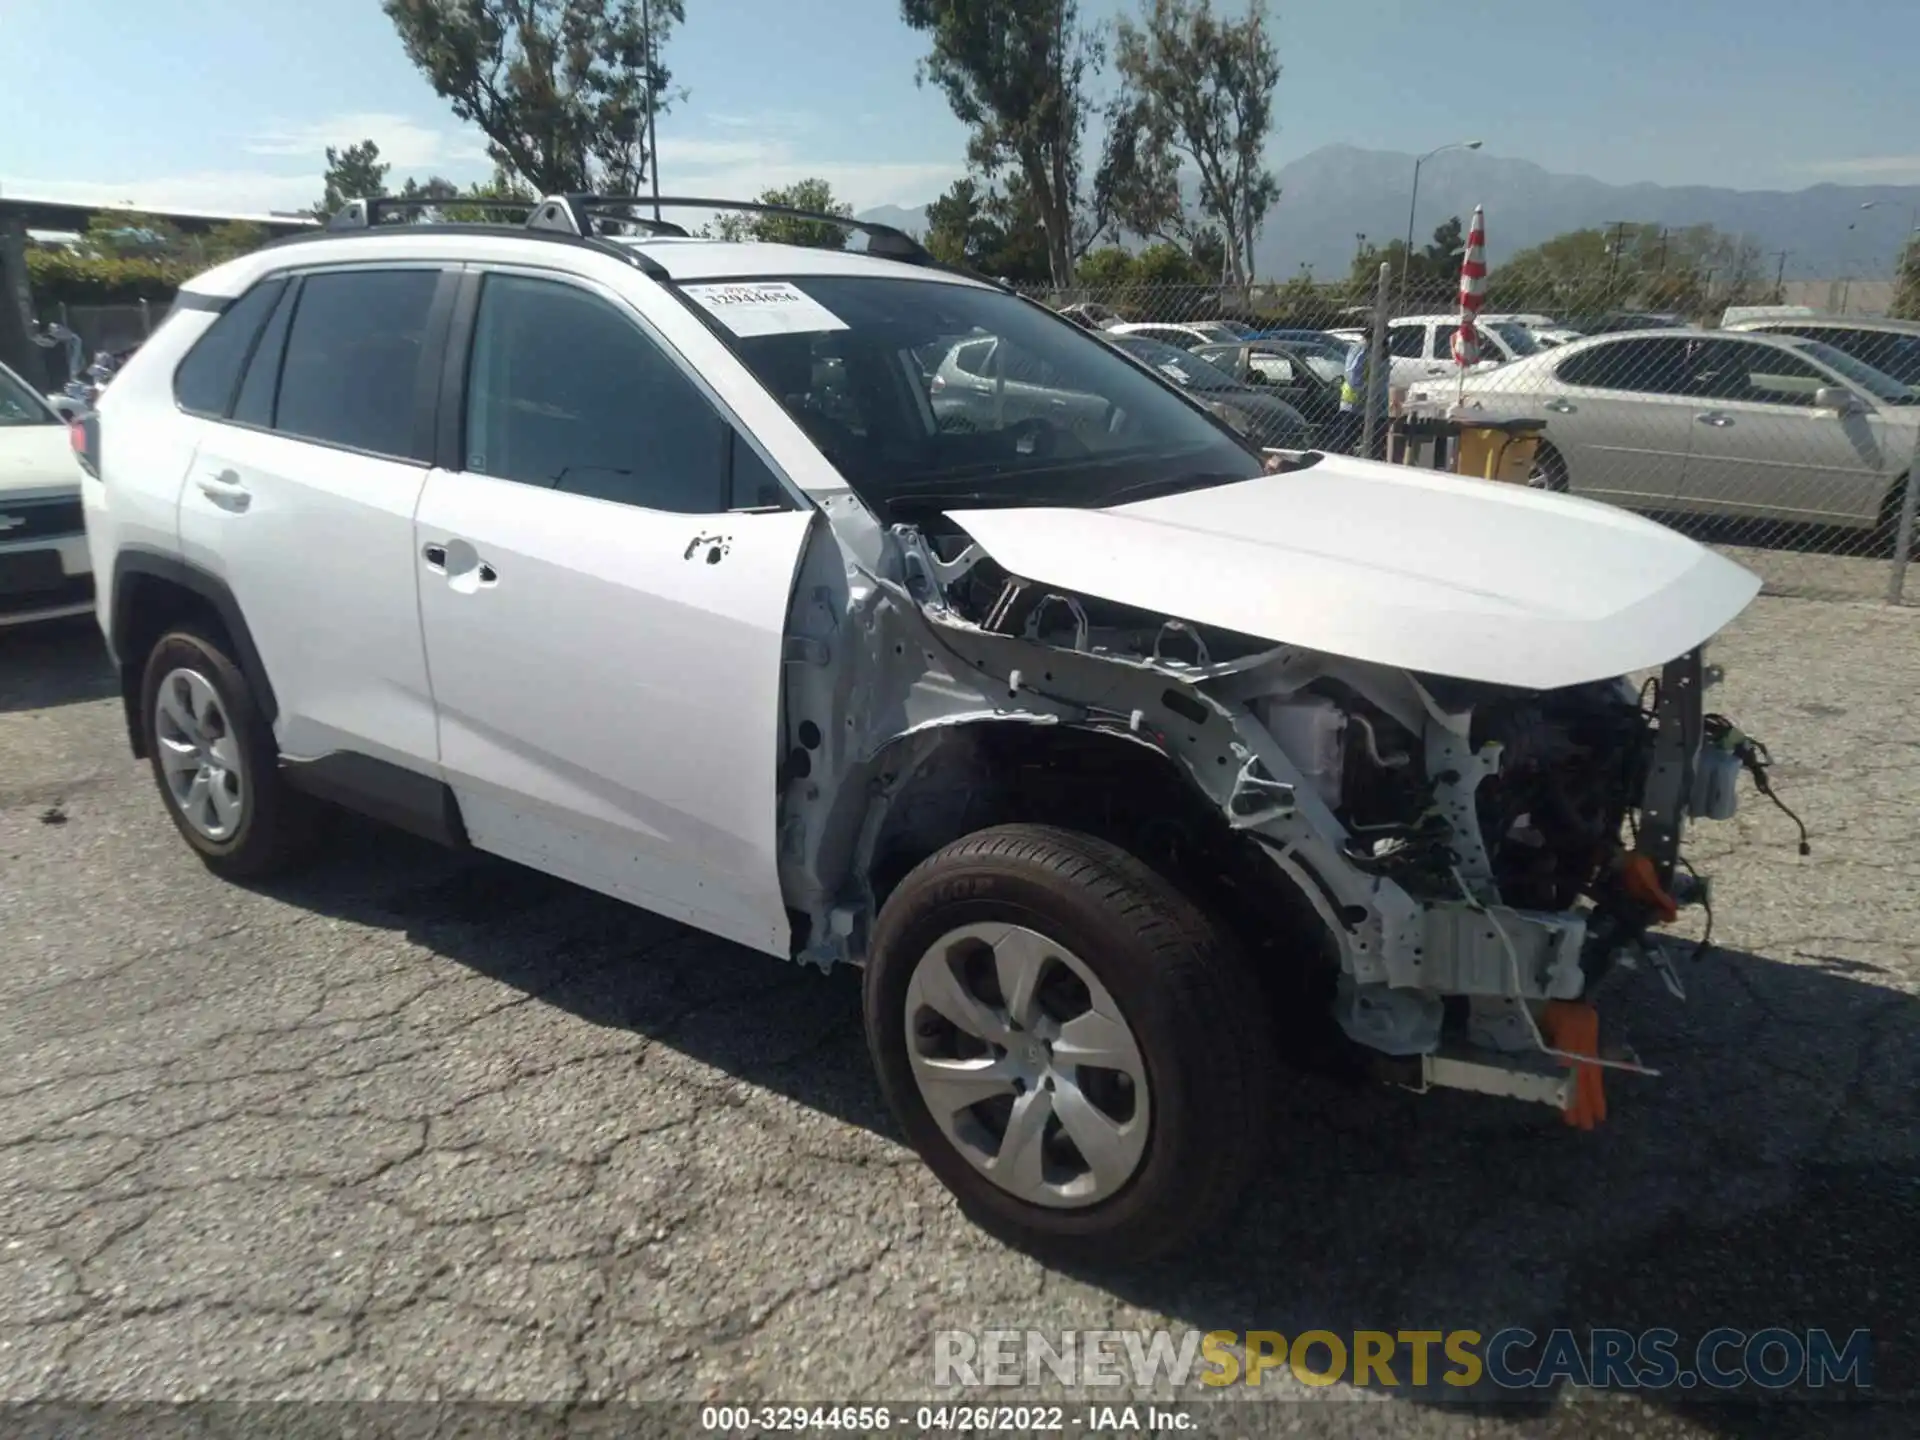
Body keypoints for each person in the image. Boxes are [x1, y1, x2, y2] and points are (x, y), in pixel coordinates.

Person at [1335, 332, 1390, 459]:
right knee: (1346, 440)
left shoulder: (1384, 351)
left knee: (1377, 443)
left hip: (1377, 407)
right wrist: (1366, 391)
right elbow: (1352, 375)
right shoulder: (1360, 349)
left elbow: (1383, 378)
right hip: (1355, 403)